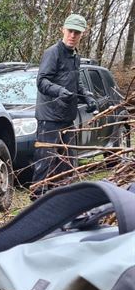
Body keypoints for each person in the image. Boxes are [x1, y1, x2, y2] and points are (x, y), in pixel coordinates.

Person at [32, 13, 97, 199]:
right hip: (50, 116)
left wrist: (88, 97)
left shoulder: (75, 56)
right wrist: (59, 91)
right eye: (70, 31)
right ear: (63, 30)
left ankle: (62, 196)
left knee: (67, 160)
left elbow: (77, 84)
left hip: (68, 117)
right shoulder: (53, 52)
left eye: (77, 33)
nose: (73, 36)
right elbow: (42, 81)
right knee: (45, 158)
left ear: (82, 35)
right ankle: (38, 196)